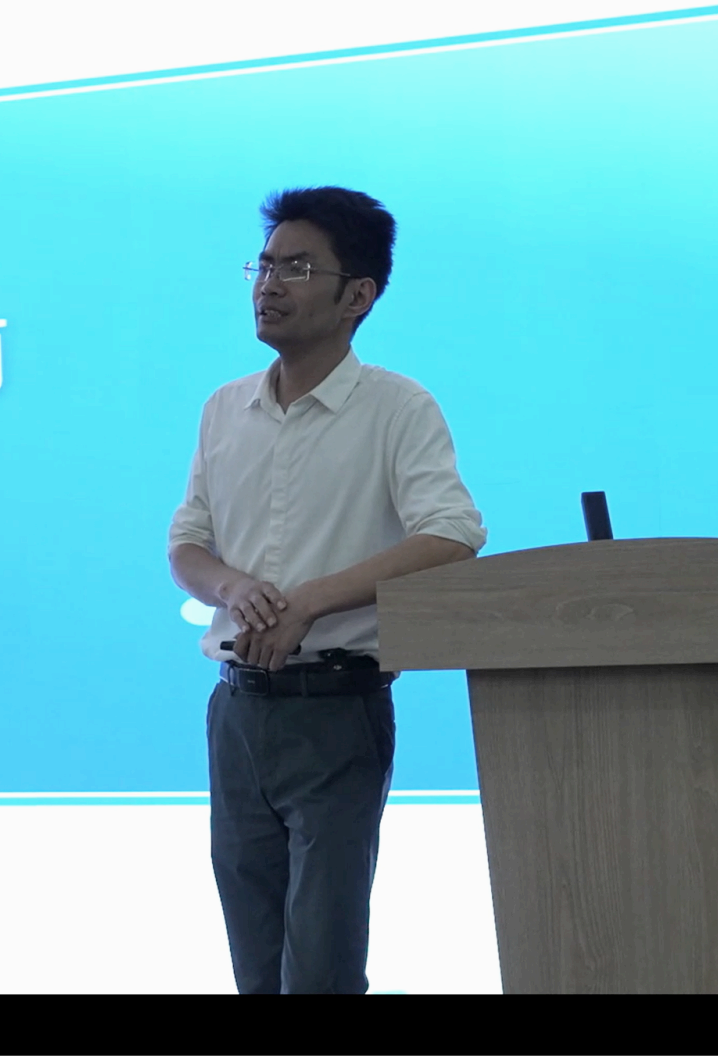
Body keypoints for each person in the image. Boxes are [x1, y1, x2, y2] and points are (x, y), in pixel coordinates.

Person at [168, 186, 486, 994]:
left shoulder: (397, 407)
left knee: (321, 968)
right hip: (238, 711)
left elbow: (452, 533)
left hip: (337, 708)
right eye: (264, 265)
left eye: (298, 268)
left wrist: (309, 600)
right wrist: (233, 584)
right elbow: (187, 545)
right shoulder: (224, 408)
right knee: (256, 966)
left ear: (358, 295)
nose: (269, 284)